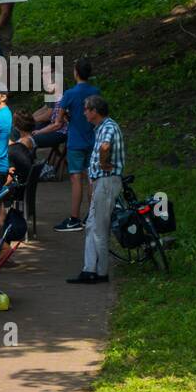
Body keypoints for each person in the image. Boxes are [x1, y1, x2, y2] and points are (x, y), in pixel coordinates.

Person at [67, 95, 125, 286]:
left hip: (106, 182)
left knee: (99, 227)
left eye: (86, 109)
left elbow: (105, 145)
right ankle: (89, 269)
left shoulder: (107, 127)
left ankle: (101, 272)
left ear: (94, 111)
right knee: (92, 225)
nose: (84, 112)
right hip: (101, 182)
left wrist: (102, 162)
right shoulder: (102, 127)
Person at [46, 58, 102, 232]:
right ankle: (91, 215)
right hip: (92, 140)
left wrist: (40, 132)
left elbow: (58, 122)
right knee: (91, 178)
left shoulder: (69, 94)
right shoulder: (95, 92)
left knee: (76, 179)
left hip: (76, 142)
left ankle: (75, 218)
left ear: (76, 72)